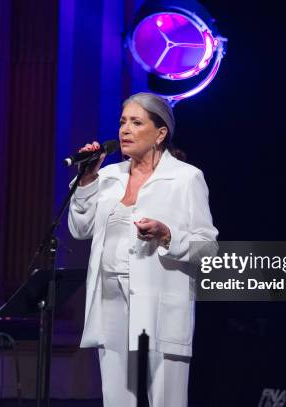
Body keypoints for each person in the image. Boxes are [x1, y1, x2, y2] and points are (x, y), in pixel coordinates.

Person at [68, 92, 218, 407]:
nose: (125, 130)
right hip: (110, 302)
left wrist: (168, 236)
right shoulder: (107, 177)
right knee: (117, 399)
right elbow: (80, 229)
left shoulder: (185, 178)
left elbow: (208, 249)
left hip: (159, 304)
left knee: (166, 400)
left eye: (136, 122)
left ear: (160, 133)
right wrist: (87, 181)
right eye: (123, 122)